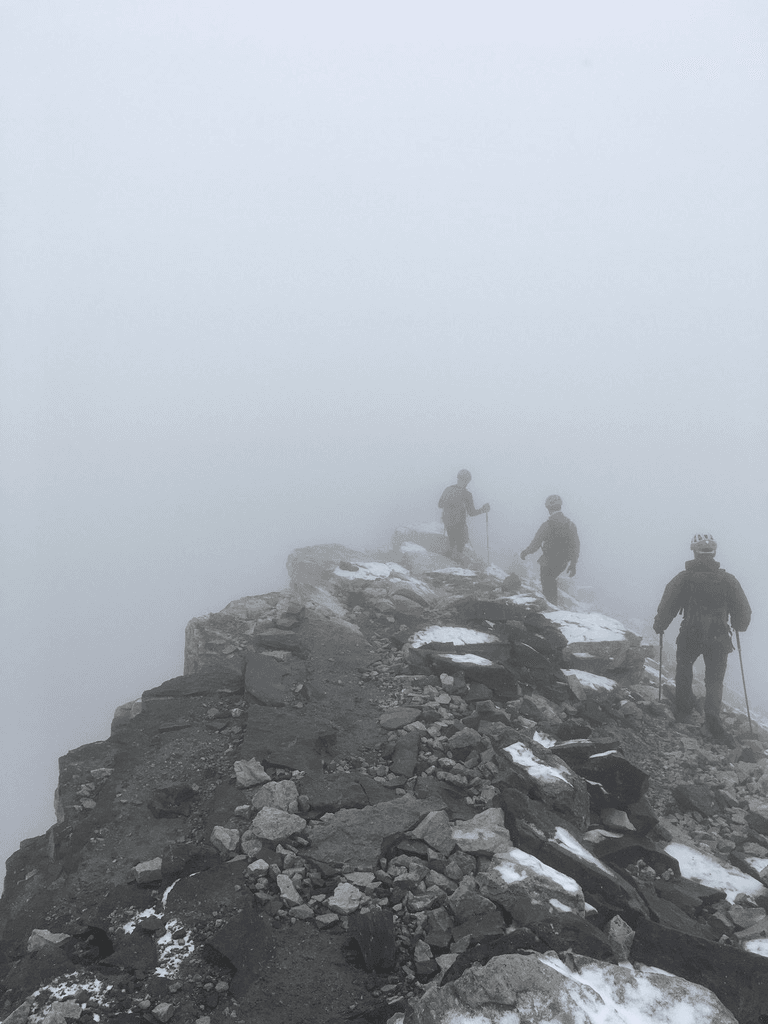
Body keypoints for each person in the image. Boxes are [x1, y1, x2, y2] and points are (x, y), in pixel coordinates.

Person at [653, 533, 751, 747]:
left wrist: (660, 625)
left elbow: (669, 603)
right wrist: (739, 625)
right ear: (713, 552)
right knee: (714, 679)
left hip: (691, 633)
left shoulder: (684, 578)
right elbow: (744, 611)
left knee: (684, 667)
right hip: (719, 637)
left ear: (693, 551)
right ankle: (712, 717)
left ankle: (683, 710)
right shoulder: (728, 580)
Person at [520, 494, 579, 604]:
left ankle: (550, 609)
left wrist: (525, 552)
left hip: (548, 561)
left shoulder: (547, 525)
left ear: (548, 508)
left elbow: (536, 543)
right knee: (551, 581)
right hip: (563, 562)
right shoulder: (571, 525)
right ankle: (552, 606)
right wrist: (573, 564)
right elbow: (575, 546)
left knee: (547, 583)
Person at [438, 470, 490, 562]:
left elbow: (440, 505)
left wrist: (450, 505)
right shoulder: (467, 494)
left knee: (451, 543)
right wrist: (483, 509)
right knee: (459, 548)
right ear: (467, 481)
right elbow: (471, 513)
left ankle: (448, 562)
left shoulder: (448, 489)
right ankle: (455, 566)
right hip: (460, 525)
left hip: (448, 523)